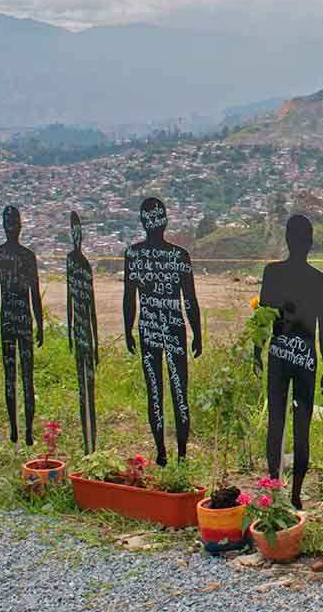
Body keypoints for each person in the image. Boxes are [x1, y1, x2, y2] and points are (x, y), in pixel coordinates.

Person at [254, 215, 323, 509]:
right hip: (306, 359)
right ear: (310, 243)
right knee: (301, 426)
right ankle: (295, 493)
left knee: (276, 422)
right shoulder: (320, 281)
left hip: (278, 354)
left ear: (287, 240)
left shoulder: (273, 273)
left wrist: (257, 351)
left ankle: (276, 486)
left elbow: (263, 319)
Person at [124, 197, 202, 466]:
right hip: (166, 328)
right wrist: (197, 332)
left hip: (154, 328)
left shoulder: (138, 254)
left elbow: (129, 298)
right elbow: (189, 300)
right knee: (170, 391)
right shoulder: (175, 255)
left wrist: (128, 329)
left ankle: (171, 452)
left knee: (163, 391)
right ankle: (172, 452)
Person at [0, 206, 44, 447]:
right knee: (22, 376)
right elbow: (33, 294)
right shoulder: (24, 256)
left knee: (14, 377)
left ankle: (20, 430)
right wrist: (39, 323)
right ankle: (22, 431)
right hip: (20, 319)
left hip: (10, 319)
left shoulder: (0, 254)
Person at [66, 212, 99, 455]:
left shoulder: (84, 264)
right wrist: (69, 331)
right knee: (82, 386)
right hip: (78, 329)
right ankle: (87, 444)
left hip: (85, 329)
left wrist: (96, 343)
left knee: (89, 384)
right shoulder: (71, 261)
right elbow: (70, 299)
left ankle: (92, 441)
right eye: (73, 231)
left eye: (79, 232)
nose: (77, 236)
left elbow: (92, 308)